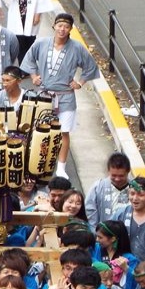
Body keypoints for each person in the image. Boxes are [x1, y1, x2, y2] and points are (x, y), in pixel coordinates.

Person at [20, 13, 99, 179]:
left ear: (70, 29)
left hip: (65, 96)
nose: (62, 29)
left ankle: (61, 167)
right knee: (40, 130)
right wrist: (34, 76)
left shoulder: (77, 47)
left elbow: (90, 66)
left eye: (66, 26)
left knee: (64, 132)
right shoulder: (41, 43)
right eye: (60, 25)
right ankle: (38, 161)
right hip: (44, 93)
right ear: (54, 26)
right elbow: (29, 58)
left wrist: (80, 83)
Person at [84, 152, 132, 227]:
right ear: (108, 171)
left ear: (128, 172)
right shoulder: (98, 187)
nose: (117, 179)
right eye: (114, 175)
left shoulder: (135, 189)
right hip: (103, 234)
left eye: (121, 176)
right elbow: (90, 211)